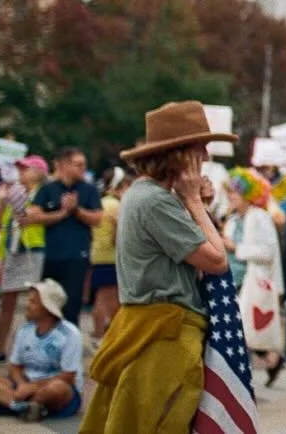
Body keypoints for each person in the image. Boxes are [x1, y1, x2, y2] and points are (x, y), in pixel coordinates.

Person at [81, 100, 235, 433]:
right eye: (201, 148)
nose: (206, 157)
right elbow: (217, 261)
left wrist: (195, 203)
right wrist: (193, 201)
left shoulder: (148, 194)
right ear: (180, 153)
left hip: (155, 328)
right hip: (164, 336)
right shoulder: (155, 200)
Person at [0, 280, 83, 422]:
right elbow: (15, 367)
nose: (27, 306)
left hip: (55, 389)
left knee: (58, 388)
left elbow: (68, 376)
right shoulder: (24, 330)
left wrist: (33, 387)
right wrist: (22, 384)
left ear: (47, 307)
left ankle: (10, 404)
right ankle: (24, 408)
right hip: (24, 386)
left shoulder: (70, 334)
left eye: (33, 302)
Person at [222, 168, 286, 385]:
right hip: (234, 281)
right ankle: (272, 360)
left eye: (235, 193)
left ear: (249, 194)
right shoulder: (232, 220)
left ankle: (248, 374)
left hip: (253, 283)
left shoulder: (259, 217)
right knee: (244, 332)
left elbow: (266, 252)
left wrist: (235, 248)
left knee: (243, 333)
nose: (230, 196)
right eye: (229, 192)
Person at [25, 147, 102, 327]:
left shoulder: (88, 190)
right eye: (78, 165)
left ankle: (70, 344)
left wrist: (76, 210)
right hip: (52, 255)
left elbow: (97, 218)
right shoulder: (47, 189)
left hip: (77, 256)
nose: (83, 168)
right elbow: (34, 216)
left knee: (72, 303)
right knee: (47, 301)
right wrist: (60, 214)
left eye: (84, 165)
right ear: (64, 165)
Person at [0, 156, 49, 362]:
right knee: (8, 302)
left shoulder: (43, 192)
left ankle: (32, 350)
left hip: (34, 248)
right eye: (20, 169)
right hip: (12, 251)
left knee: (36, 302)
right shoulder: (13, 193)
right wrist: (4, 202)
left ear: (40, 172)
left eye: (26, 169)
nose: (21, 172)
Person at [87, 169, 132, 340]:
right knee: (108, 300)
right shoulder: (115, 205)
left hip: (99, 256)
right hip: (110, 258)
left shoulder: (102, 202)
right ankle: (104, 336)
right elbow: (118, 236)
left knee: (103, 298)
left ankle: (101, 335)